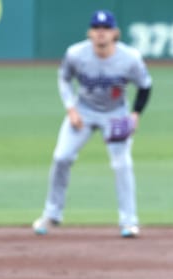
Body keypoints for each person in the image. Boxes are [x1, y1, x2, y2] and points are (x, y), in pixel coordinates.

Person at [33, 9, 152, 238]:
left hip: (116, 114)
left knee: (122, 164)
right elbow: (64, 78)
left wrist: (135, 114)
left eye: (106, 28)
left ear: (115, 32)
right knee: (61, 157)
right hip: (83, 112)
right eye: (97, 28)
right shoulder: (76, 54)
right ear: (89, 32)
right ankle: (52, 214)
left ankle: (129, 222)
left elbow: (145, 85)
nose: (101, 33)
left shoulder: (130, 58)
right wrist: (70, 107)